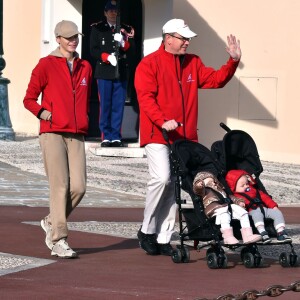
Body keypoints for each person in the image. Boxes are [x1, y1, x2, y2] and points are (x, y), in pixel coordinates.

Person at [134, 18, 242, 256]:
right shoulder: (148, 64)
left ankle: (162, 237)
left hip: (185, 138)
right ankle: (146, 230)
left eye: (187, 38)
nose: (187, 42)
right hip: (157, 134)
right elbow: (146, 98)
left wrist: (233, 61)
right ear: (168, 38)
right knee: (162, 178)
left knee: (174, 185)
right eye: (183, 38)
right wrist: (163, 120)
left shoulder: (193, 62)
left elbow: (215, 80)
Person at [23, 20, 92, 258]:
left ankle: (51, 220)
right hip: (52, 132)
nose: (74, 40)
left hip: (77, 132)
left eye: (76, 37)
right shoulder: (45, 65)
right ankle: (58, 239)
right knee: (60, 186)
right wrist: (45, 114)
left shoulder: (85, 67)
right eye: (69, 37)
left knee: (79, 187)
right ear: (58, 39)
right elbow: (29, 99)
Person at [90, 0, 135, 147]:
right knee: (106, 105)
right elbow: (93, 50)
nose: (113, 13)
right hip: (104, 71)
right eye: (110, 11)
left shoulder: (125, 29)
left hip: (120, 72)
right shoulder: (97, 28)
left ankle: (116, 136)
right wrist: (106, 57)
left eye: (115, 11)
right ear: (105, 12)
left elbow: (132, 49)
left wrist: (123, 43)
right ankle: (106, 136)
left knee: (118, 105)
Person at [192, 171, 261, 244]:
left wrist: (238, 201)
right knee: (224, 215)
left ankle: (248, 235)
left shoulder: (221, 189)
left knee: (243, 212)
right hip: (215, 207)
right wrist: (199, 185)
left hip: (227, 206)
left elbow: (229, 197)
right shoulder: (205, 190)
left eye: (212, 180)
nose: (212, 182)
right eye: (208, 181)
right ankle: (228, 237)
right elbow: (198, 190)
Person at [225, 169, 292, 243]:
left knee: (277, 213)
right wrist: (241, 205)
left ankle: (280, 231)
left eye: (247, 184)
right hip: (251, 211)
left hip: (264, 209)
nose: (246, 186)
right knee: (257, 215)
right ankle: (262, 231)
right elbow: (237, 204)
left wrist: (273, 206)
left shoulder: (254, 190)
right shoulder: (236, 196)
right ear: (234, 187)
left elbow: (266, 198)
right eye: (242, 185)